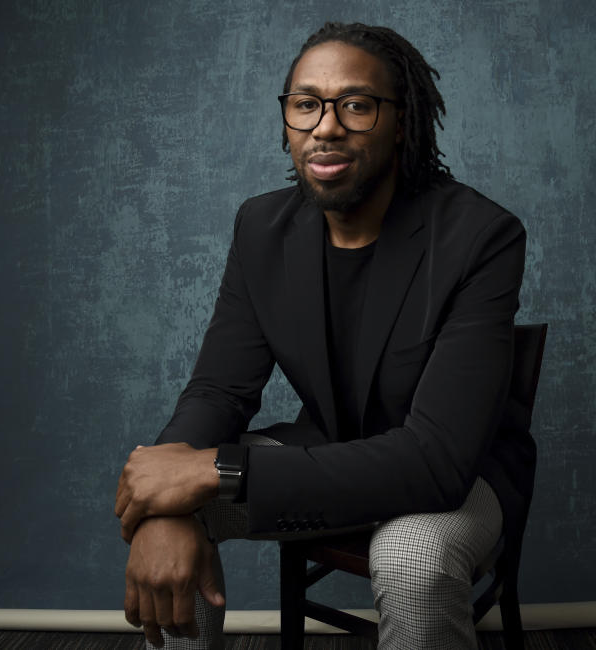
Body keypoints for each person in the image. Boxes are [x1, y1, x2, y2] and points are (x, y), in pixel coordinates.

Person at [114, 21, 535, 650]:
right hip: (330, 446)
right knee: (168, 510)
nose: (326, 126)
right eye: (306, 104)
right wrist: (165, 498)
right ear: (287, 120)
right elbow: (217, 391)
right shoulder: (262, 228)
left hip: (458, 473)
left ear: (403, 121)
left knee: (412, 557)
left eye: (356, 105)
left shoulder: (480, 236)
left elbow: (436, 461)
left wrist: (218, 470)